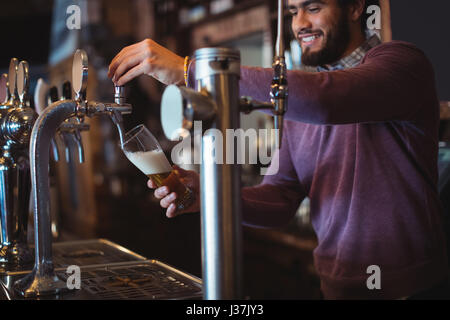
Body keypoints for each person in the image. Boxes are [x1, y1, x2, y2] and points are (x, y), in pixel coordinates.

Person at [108, 0, 449, 299]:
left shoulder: (402, 64)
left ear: (356, 7)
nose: (300, 24)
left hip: (413, 289)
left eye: (314, 8)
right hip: (335, 289)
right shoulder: (300, 102)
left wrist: (190, 71)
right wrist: (212, 195)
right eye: (292, 12)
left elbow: (327, 100)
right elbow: (280, 198)